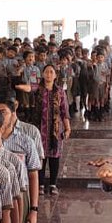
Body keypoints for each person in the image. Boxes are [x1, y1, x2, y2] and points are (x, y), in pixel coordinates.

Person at [36, 64, 71, 196]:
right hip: (40, 128)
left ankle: (53, 184)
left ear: (55, 75)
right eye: (46, 72)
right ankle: (40, 184)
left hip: (56, 129)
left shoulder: (60, 91)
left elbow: (64, 111)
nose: (49, 74)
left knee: (54, 157)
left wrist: (67, 128)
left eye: (51, 72)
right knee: (41, 157)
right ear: (43, 74)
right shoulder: (38, 90)